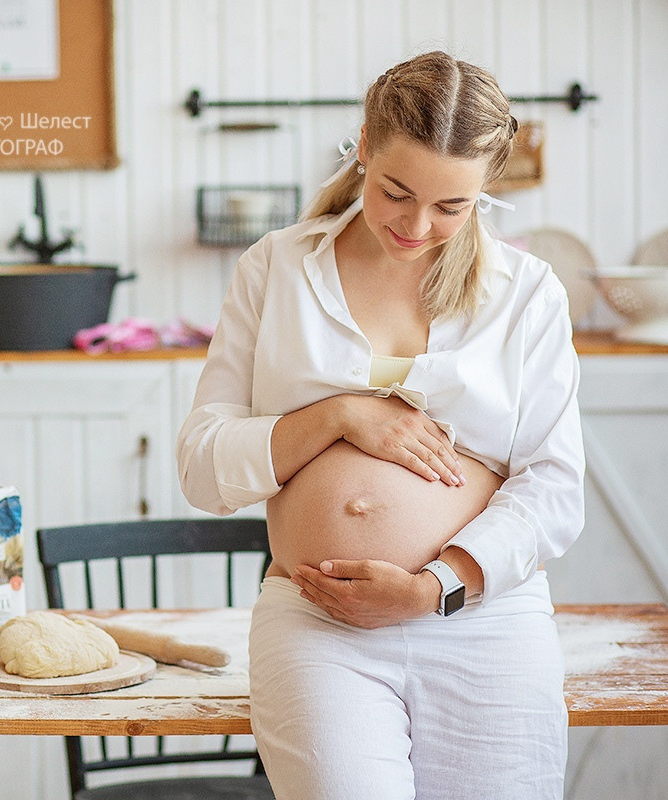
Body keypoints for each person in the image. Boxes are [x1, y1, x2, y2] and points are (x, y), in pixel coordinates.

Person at [176, 51, 584, 800]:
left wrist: (435, 588)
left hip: (485, 623)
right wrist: (338, 417)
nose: (418, 225)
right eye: (396, 192)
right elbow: (202, 466)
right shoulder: (277, 269)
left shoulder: (525, 294)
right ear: (363, 144)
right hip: (317, 624)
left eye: (451, 207)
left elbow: (554, 489)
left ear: (483, 191)